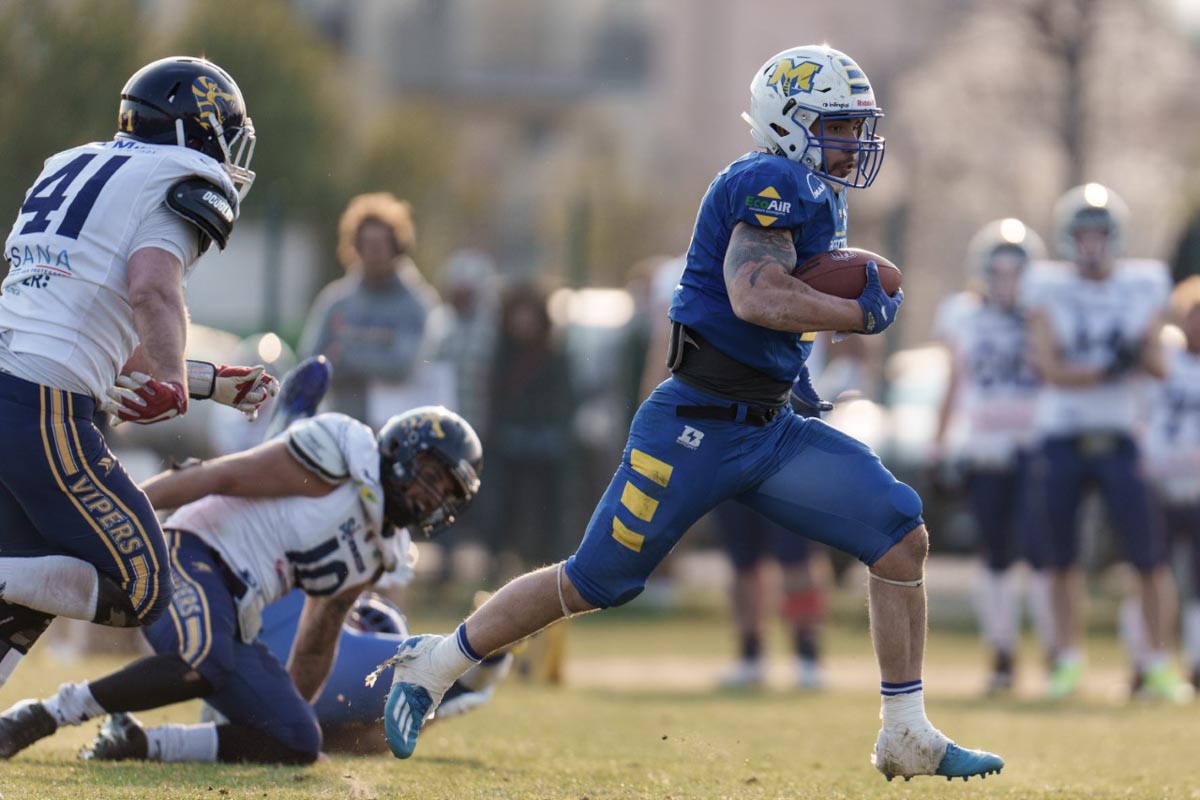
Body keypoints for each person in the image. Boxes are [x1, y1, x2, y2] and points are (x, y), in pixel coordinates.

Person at [374, 45, 1003, 782]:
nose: (850, 143)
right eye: (836, 125)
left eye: (853, 126)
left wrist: (833, 327)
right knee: (592, 581)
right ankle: (436, 663)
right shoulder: (767, 179)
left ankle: (906, 731)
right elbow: (756, 295)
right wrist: (854, 312)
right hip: (695, 425)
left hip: (769, 427)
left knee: (900, 534)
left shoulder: (818, 191)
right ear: (789, 123)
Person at [0, 395, 484, 764]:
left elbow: (320, 635)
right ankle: (49, 713)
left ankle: (143, 742)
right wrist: (117, 526)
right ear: (402, 448)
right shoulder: (342, 455)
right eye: (430, 474)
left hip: (236, 613)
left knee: (297, 738)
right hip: (189, 553)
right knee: (206, 659)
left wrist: (283, 707)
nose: (431, 494)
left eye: (446, 490)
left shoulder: (384, 549)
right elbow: (221, 477)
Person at [0, 56, 276, 693]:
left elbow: (94, 328)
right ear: (200, 129)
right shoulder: (187, 172)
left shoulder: (68, 165)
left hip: (18, 386)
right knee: (142, 584)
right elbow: (152, 289)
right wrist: (176, 384)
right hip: (44, 408)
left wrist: (200, 381)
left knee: (47, 572)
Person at [1027, 183, 1188, 701]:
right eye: (1083, 235)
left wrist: (1137, 354)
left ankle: (1156, 660)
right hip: (1064, 435)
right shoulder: (1047, 287)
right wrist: (1107, 368)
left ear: (1115, 238)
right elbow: (1048, 366)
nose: (1092, 244)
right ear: (1068, 238)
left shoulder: (1144, 284)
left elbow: (1161, 364)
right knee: (1062, 557)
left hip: (1121, 435)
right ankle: (1067, 659)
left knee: (1148, 557)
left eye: (1100, 235)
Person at [931, 219, 1053, 693]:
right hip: (985, 449)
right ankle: (1001, 654)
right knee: (995, 554)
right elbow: (954, 381)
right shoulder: (963, 314)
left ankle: (1054, 654)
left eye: (1014, 272)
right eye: (996, 271)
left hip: (1037, 444)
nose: (1005, 281)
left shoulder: (1042, 313)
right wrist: (938, 445)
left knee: (1043, 553)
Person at [299, 192, 440, 424]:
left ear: (396, 247)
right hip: (341, 423)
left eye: (380, 245)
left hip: (397, 430)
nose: (373, 253)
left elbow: (401, 365)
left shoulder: (416, 303)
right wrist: (373, 355)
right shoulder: (336, 301)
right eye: (367, 245)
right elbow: (311, 363)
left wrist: (344, 355)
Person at [1141, 277, 1200, 691]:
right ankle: (1146, 663)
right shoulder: (1163, 359)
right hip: (1159, 483)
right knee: (1149, 571)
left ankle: (1196, 664)